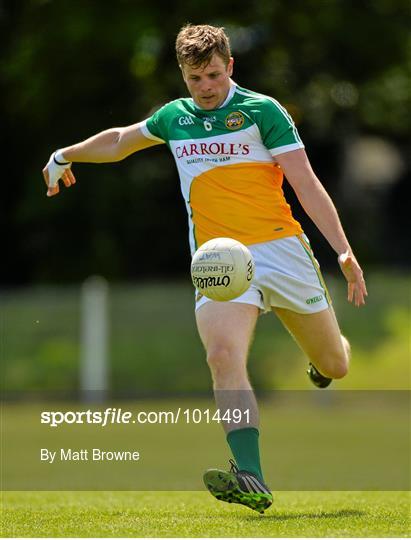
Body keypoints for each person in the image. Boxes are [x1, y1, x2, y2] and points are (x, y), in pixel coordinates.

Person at [42, 23, 367, 514]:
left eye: (214, 75)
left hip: (282, 253)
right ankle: (250, 475)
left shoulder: (263, 112)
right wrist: (65, 154)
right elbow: (119, 141)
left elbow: (305, 183)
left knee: (334, 364)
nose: (206, 87)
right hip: (219, 261)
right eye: (196, 79)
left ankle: (323, 361)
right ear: (184, 75)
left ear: (230, 66)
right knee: (222, 356)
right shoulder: (176, 117)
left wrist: (342, 250)